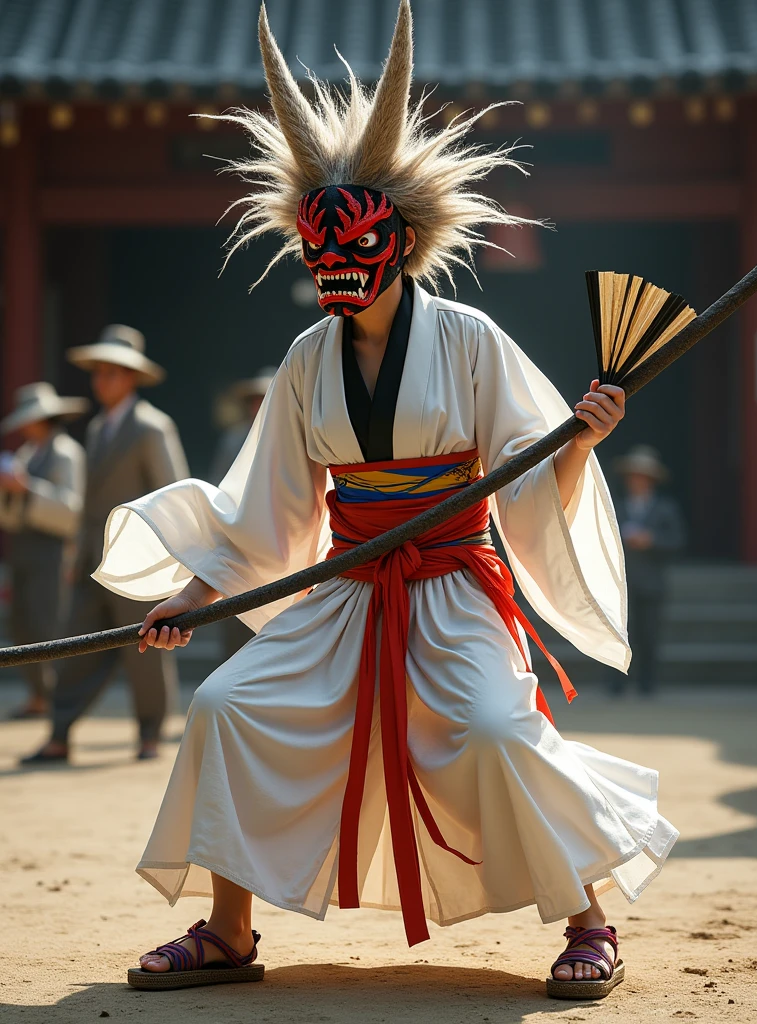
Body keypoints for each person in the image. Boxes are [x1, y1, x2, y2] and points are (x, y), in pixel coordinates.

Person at [93, 3, 678, 998]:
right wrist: (196, 592)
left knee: (497, 728)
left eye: (354, 253)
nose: (340, 276)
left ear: (396, 243)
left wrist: (581, 441)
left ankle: (589, 918)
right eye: (323, 256)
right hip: (348, 586)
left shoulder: (470, 341)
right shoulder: (306, 359)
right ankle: (231, 931)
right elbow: (268, 509)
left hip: (453, 583)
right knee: (229, 704)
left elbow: (530, 479)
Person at [21, 325, 189, 764]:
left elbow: (173, 493)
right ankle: (59, 733)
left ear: (132, 377)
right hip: (95, 559)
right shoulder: (97, 429)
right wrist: (76, 553)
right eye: (99, 373)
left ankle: (150, 733)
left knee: (147, 651)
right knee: (75, 646)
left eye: (113, 373)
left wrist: (169, 558)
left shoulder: (152, 428)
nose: (103, 381)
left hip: (140, 559)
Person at [0, 383, 88, 719]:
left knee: (46, 626)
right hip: (23, 549)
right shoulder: (25, 454)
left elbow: (71, 510)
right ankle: (38, 695)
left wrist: (26, 488)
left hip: (52, 551)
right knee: (20, 624)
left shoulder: (65, 453)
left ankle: (55, 697)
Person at [209, 369, 277, 661]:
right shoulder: (233, 440)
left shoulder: (288, 439)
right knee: (234, 617)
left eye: (264, 399)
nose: (257, 406)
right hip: (238, 538)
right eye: (254, 400)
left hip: (276, 541)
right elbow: (219, 488)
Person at [612, 445, 685, 696]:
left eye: (642, 476)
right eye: (633, 475)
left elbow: (677, 541)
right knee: (619, 634)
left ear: (651, 480)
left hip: (652, 581)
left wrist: (650, 540)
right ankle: (616, 684)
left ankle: (647, 685)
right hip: (621, 582)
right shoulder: (615, 507)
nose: (637, 481)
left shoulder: (665, 508)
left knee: (650, 634)